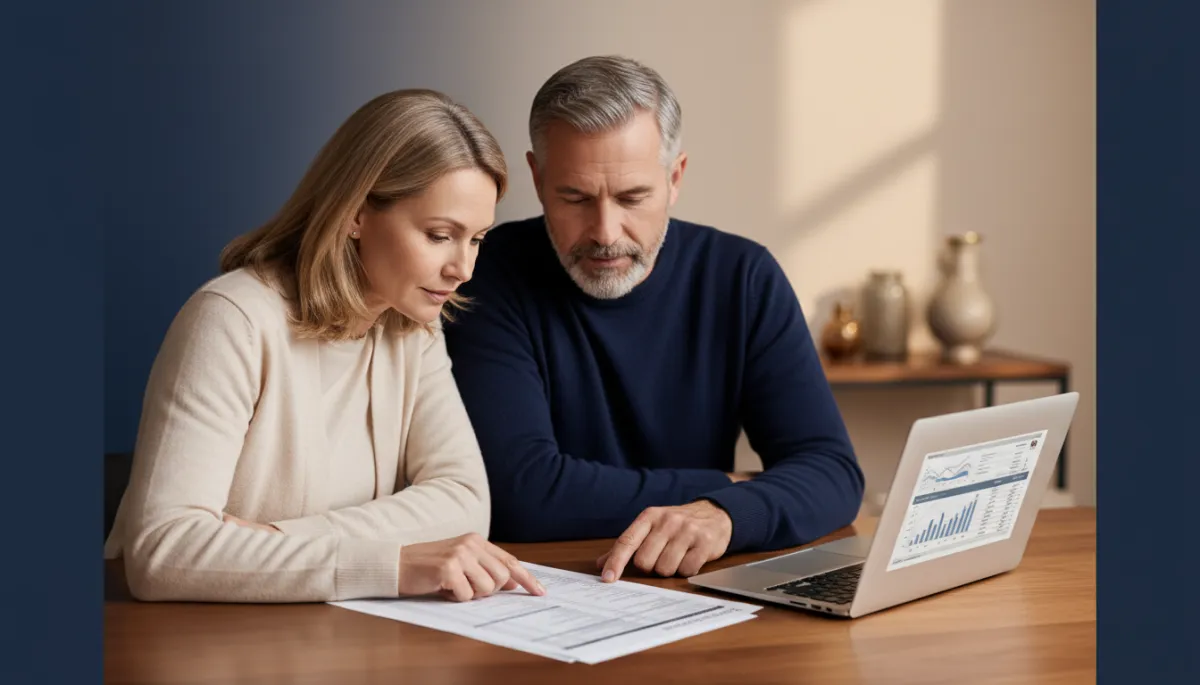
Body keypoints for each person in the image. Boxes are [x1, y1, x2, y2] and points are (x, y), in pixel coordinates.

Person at [104, 89, 545, 604]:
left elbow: (466, 502)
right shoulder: (231, 320)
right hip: (178, 638)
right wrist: (390, 564)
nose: (463, 269)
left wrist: (273, 542)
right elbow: (163, 552)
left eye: (477, 239)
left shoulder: (413, 328)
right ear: (356, 214)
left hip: (312, 631)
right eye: (439, 234)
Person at [444, 56, 865, 583]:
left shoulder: (742, 276)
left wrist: (725, 516)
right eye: (574, 197)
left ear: (676, 177)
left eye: (632, 197)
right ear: (536, 176)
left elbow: (834, 474)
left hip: (693, 588)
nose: (604, 231)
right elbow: (519, 492)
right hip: (539, 591)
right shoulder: (487, 274)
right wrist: (729, 485)